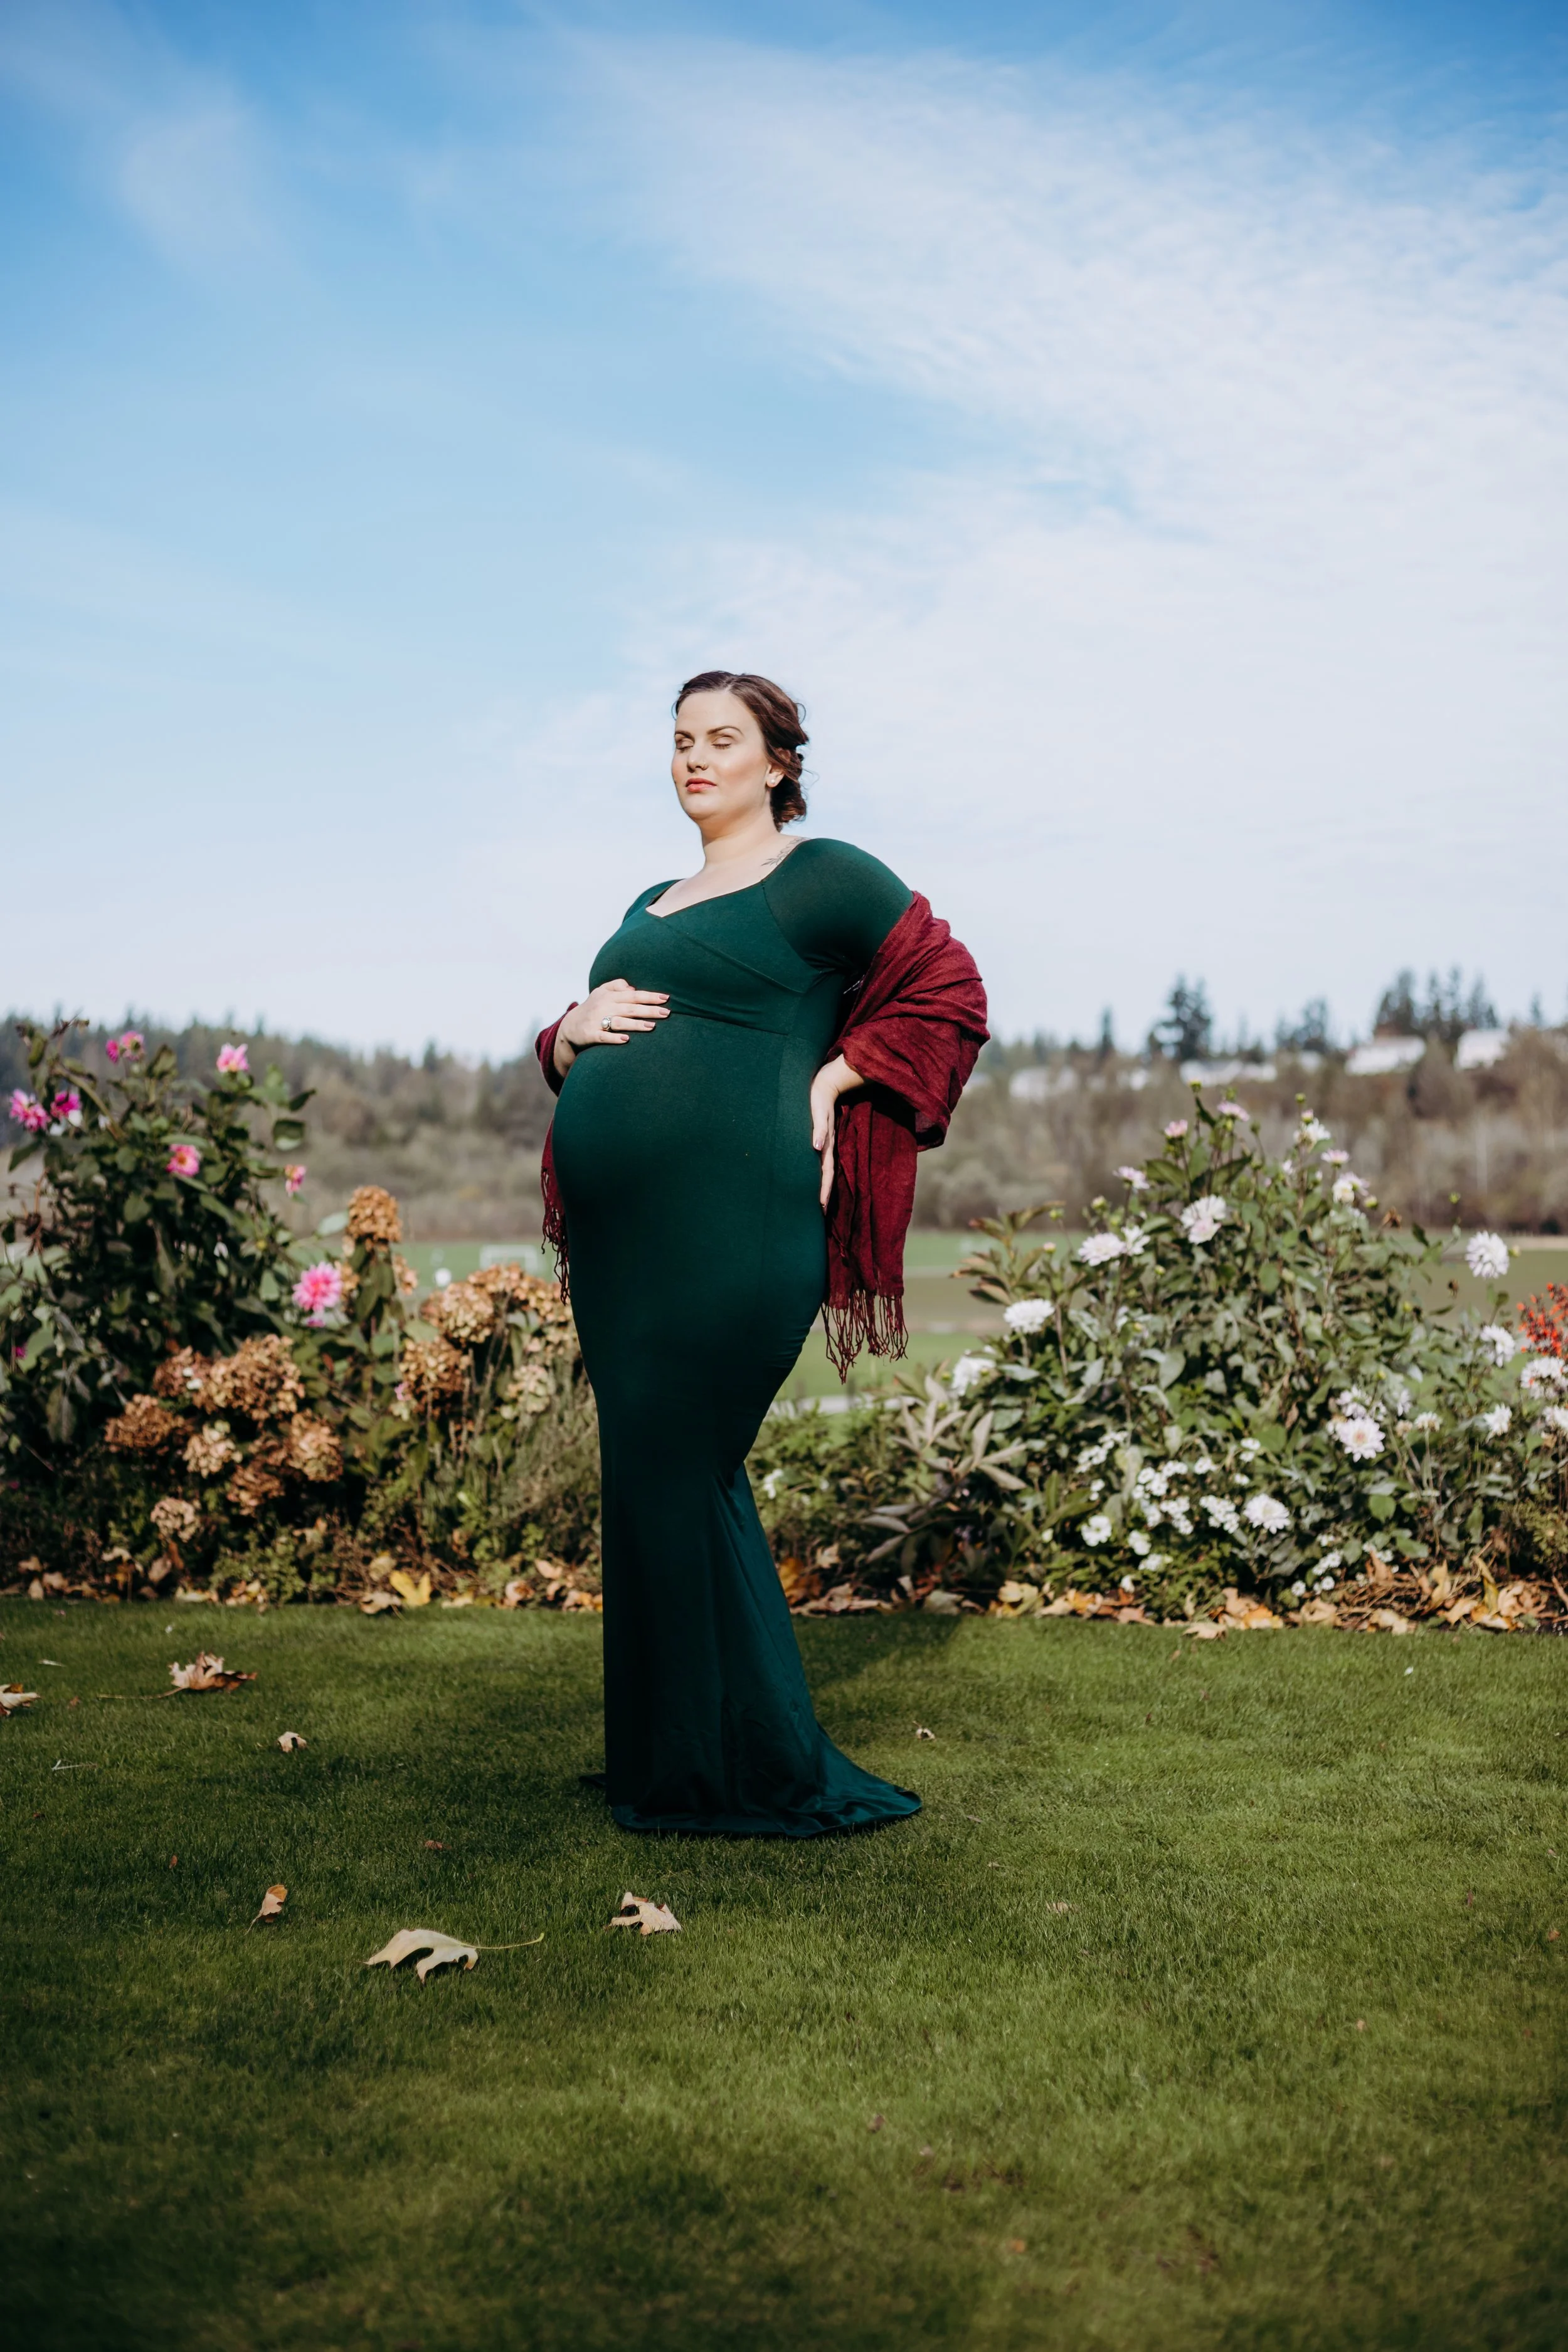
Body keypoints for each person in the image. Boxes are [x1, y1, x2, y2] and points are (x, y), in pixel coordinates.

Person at [536, 671, 987, 1836]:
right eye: (680, 740)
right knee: (652, 1477)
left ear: (778, 763)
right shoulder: (653, 897)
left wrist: (841, 1075)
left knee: (683, 1464)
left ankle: (744, 1766)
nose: (694, 757)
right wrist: (563, 1032)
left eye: (722, 739)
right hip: (626, 1243)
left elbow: (950, 987)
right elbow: (590, 1031)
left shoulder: (821, 875)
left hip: (739, 1223)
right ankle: (671, 1755)